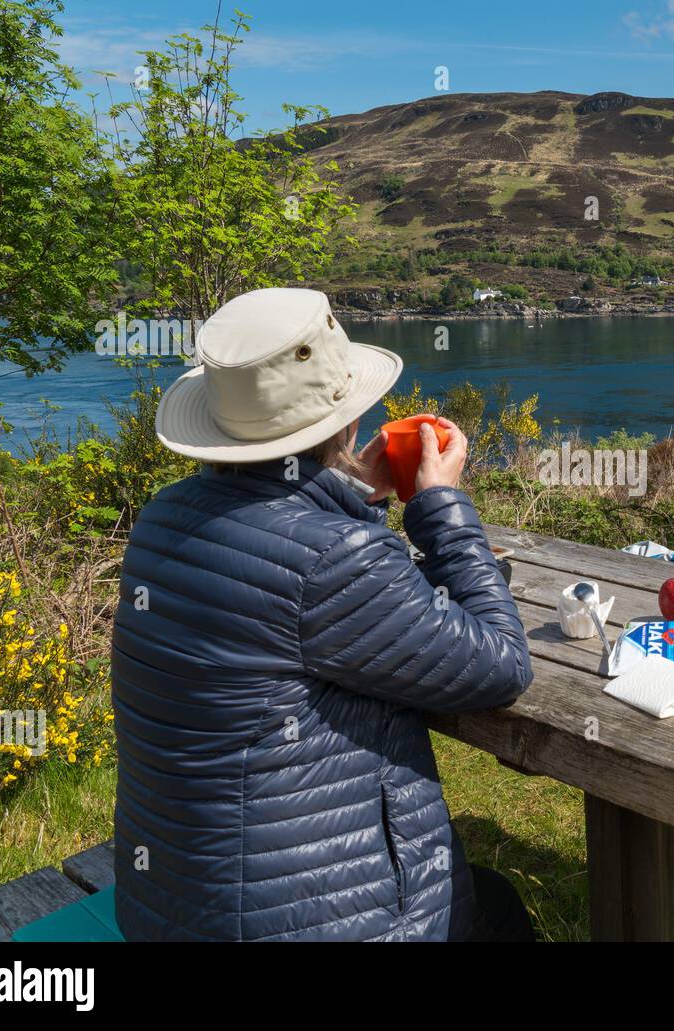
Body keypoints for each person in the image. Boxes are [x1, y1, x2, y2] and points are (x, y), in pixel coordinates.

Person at [110, 287, 535, 941]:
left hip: (172, 908)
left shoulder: (163, 517)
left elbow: (285, 594)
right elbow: (502, 664)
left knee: (491, 897)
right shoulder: (334, 557)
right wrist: (441, 505)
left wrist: (351, 496)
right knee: (496, 909)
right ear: (345, 422)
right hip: (315, 925)